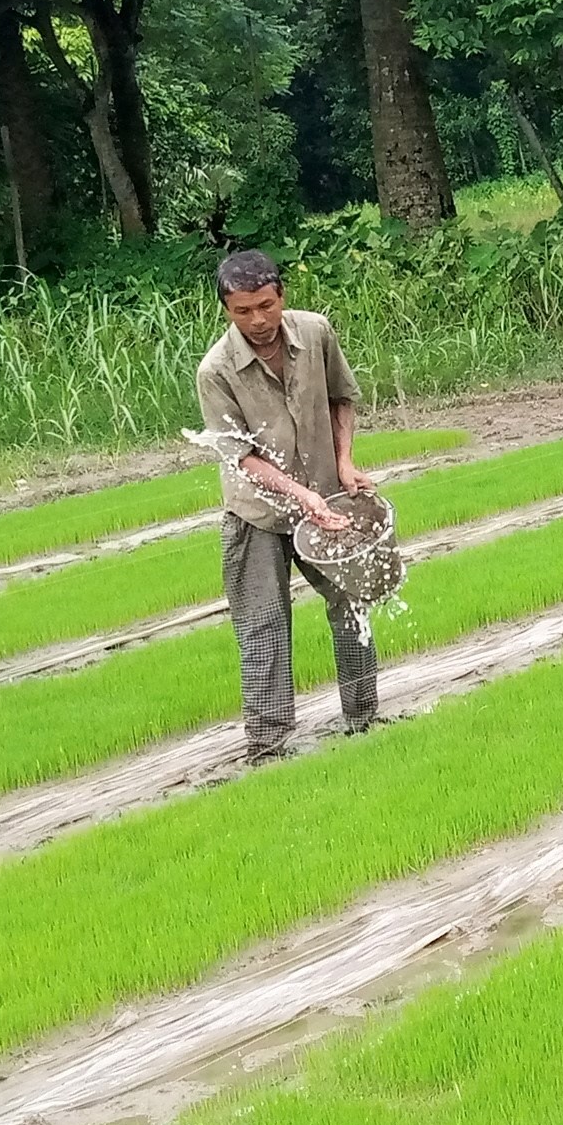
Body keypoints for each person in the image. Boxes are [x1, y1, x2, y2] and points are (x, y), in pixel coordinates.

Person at [196, 249, 382, 761]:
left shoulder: (315, 333)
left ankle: (364, 717)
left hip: (327, 494)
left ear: (281, 296)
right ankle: (268, 745)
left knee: (352, 601)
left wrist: (344, 463)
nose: (257, 320)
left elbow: (342, 397)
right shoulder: (216, 371)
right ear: (226, 311)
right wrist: (301, 495)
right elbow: (241, 455)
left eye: (265, 305)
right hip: (257, 512)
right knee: (263, 626)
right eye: (242, 311)